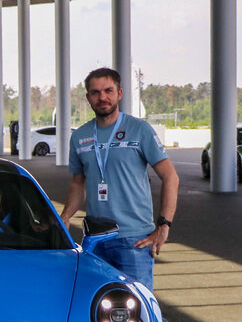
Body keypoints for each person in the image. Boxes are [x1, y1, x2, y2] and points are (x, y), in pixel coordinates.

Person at [59, 67, 178, 291]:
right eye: (95, 92)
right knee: (95, 303)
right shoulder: (80, 137)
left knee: (137, 304)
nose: (102, 97)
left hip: (134, 240)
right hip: (94, 239)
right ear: (88, 97)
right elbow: (78, 182)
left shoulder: (139, 130)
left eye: (108, 91)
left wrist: (164, 225)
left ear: (120, 93)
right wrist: (65, 216)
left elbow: (170, 176)